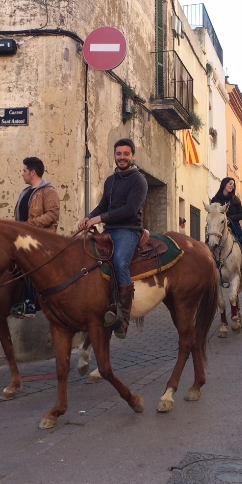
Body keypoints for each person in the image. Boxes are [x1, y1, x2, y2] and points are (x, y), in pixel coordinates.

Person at [77, 138, 148, 339]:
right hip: (109, 229)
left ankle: (123, 317)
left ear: (133, 156)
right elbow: (103, 206)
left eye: (126, 154)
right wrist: (89, 217)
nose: (122, 157)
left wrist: (100, 218)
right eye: (119, 154)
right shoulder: (111, 180)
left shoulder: (138, 180)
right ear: (115, 156)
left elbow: (130, 209)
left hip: (129, 229)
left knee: (120, 262)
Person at [11, 157, 60, 318]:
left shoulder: (48, 191)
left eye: (24, 170)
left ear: (32, 172)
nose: (22, 174)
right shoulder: (25, 192)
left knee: (29, 263)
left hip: (41, 239)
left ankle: (30, 304)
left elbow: (52, 215)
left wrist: (29, 224)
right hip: (23, 238)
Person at [210, 177, 242, 282]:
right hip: (219, 227)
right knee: (208, 244)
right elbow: (212, 213)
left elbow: (241, 214)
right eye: (230, 184)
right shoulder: (215, 199)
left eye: (233, 184)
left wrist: (230, 219)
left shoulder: (235, 199)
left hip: (234, 226)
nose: (232, 186)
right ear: (224, 184)